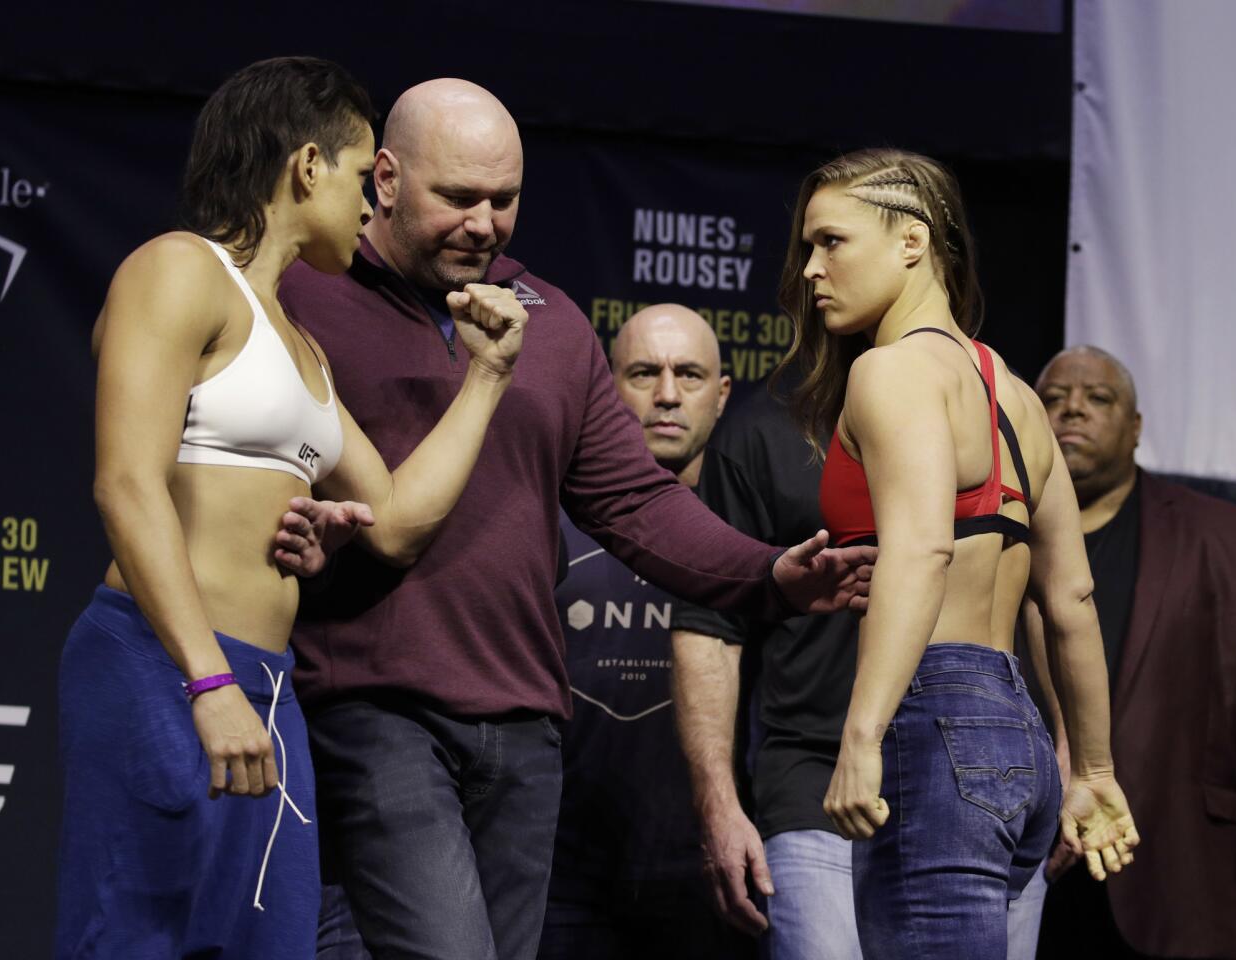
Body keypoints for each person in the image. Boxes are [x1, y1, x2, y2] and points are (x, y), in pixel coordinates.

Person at [278, 79, 875, 960]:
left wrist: (766, 574)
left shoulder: (551, 323)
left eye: (504, 200)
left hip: (525, 728)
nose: (484, 224)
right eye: (457, 198)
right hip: (375, 707)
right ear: (387, 178)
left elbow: (635, 502)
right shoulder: (306, 299)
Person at [57, 57, 530, 959]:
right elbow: (125, 482)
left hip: (267, 689)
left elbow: (391, 519)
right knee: (140, 940)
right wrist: (207, 680)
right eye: (361, 177)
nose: (368, 207)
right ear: (307, 167)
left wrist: (489, 376)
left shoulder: (302, 345)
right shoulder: (178, 269)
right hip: (164, 663)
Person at [772, 147, 1139, 960]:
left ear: (911, 242)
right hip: (1018, 734)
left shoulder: (891, 372)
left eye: (830, 241)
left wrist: (861, 735)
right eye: (807, 247)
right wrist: (1094, 768)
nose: (809, 270)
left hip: (935, 721)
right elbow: (1071, 599)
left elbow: (924, 547)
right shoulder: (1012, 393)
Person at [670, 373, 1051, 960]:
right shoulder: (764, 428)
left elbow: (1051, 593)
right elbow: (710, 626)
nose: (818, 276)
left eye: (831, 269)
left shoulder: (990, 405)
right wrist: (719, 805)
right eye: (808, 273)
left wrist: (1084, 762)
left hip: (973, 774)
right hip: (817, 780)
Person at [1030, 346, 1236, 960]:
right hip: (1025, 871)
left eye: (1097, 398)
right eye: (1052, 399)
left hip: (1183, 872)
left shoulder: (1233, 540)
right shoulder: (993, 539)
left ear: (1135, 428)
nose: (1072, 409)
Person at [539, 303, 753, 960]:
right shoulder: (546, 524)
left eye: (688, 374)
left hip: (716, 874)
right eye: (642, 372)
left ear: (720, 396)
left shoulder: (754, 538)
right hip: (562, 875)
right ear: (606, 386)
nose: (666, 394)